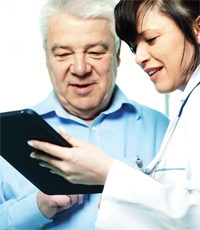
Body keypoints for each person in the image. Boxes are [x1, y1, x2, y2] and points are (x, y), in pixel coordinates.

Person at [29, 0, 200, 229]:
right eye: (63, 53)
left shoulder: (162, 124)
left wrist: (111, 175)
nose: (139, 57)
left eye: (150, 39)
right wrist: (34, 208)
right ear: (47, 56)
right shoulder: (185, 108)